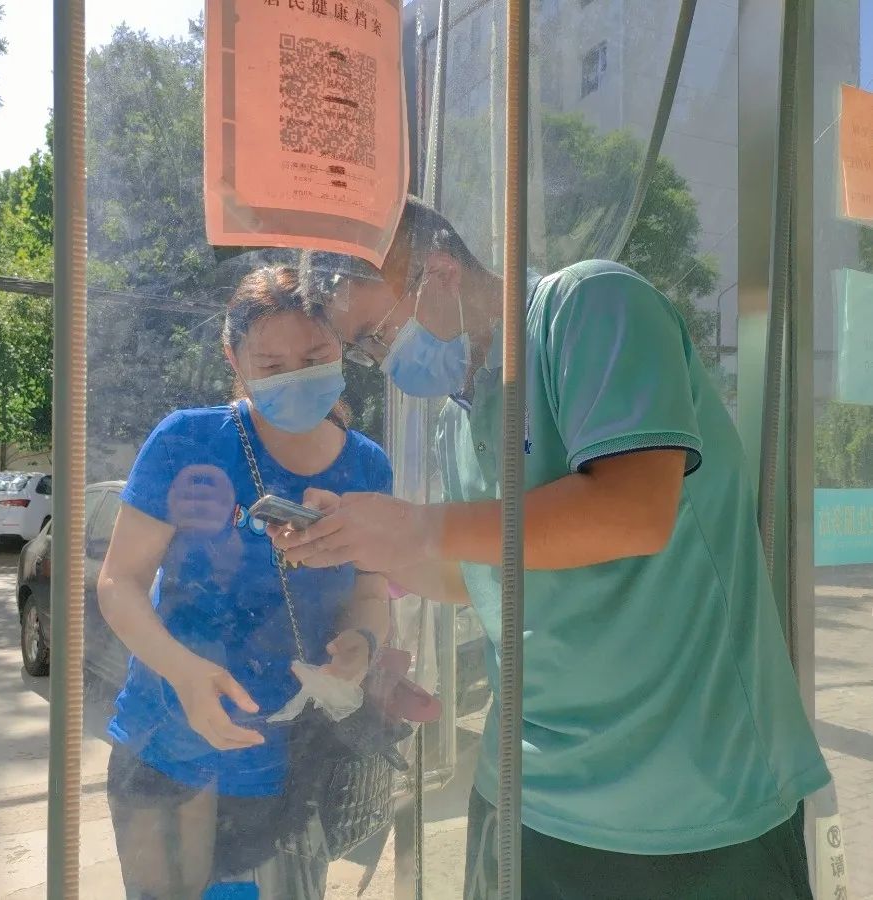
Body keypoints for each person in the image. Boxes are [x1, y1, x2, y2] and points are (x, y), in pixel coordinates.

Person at [272, 196, 831, 899]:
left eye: (375, 336)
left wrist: (417, 526)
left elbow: (633, 509)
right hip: (524, 794)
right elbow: (478, 572)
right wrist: (361, 546)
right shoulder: (458, 419)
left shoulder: (589, 303)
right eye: (365, 351)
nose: (381, 362)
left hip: (689, 795)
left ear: (440, 271)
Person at [96, 265, 393, 900]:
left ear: (341, 347)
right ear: (234, 359)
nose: (295, 377)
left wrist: (362, 643)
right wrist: (183, 672)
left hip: (294, 763)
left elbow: (372, 590)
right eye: (271, 364)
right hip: (167, 747)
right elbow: (119, 582)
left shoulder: (367, 466)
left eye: (314, 357)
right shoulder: (188, 440)